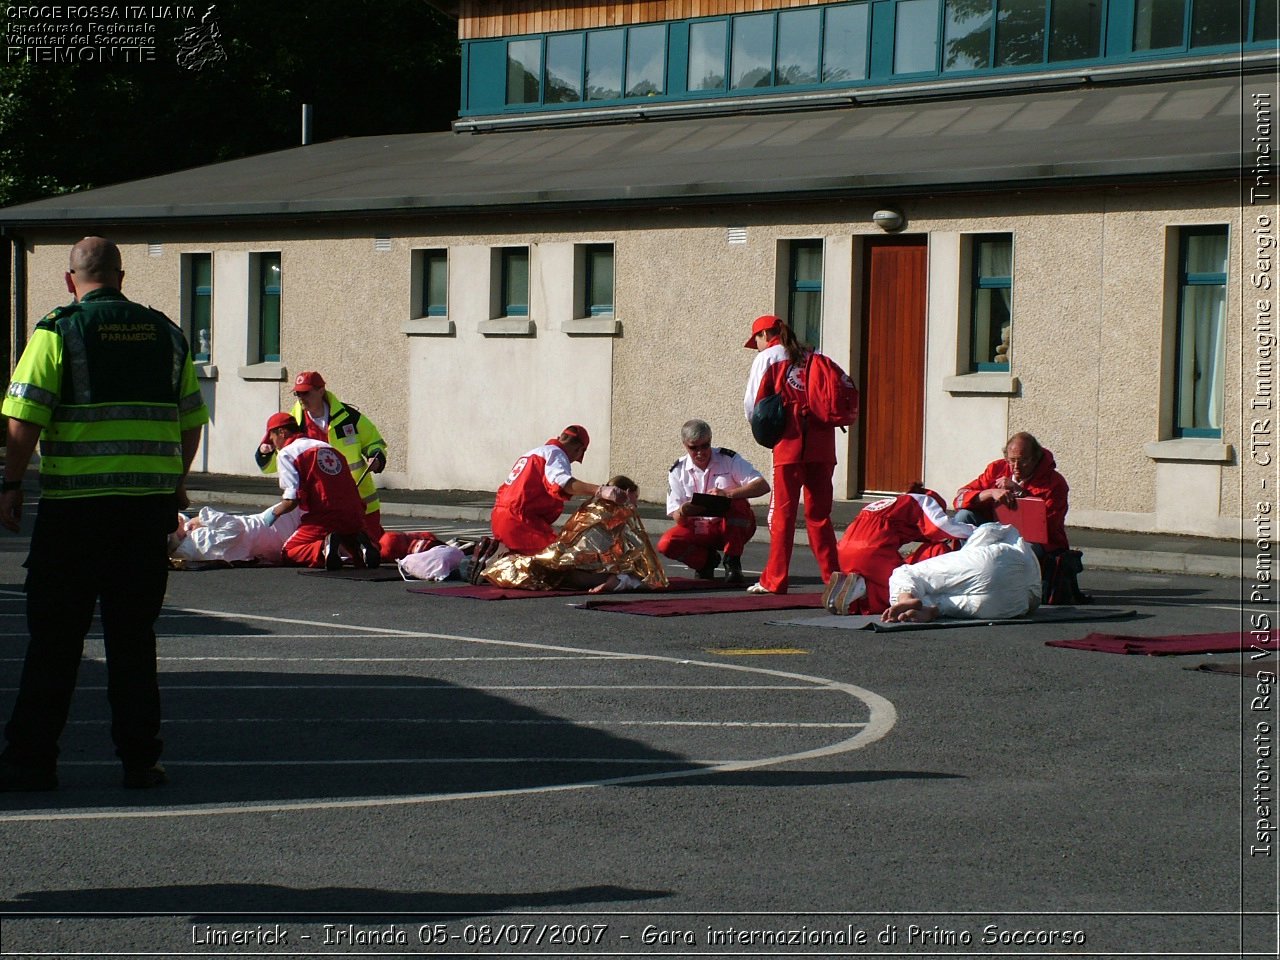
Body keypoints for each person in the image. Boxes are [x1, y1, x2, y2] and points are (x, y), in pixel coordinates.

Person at [0, 237, 209, 792]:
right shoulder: (167, 333)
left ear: (71, 280)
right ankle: (141, 761)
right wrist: (175, 484)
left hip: (74, 512)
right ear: (122, 276)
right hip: (144, 513)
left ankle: (31, 761)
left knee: (54, 641)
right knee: (133, 641)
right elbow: (191, 420)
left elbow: (24, 414)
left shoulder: (57, 329)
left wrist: (12, 482)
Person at [742, 314, 840, 594]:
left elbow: (752, 406)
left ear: (764, 336)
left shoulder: (768, 358)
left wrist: (766, 433)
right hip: (822, 442)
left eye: (756, 340)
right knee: (820, 515)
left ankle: (775, 579)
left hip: (789, 443)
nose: (757, 346)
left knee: (783, 514)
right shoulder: (814, 354)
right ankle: (833, 577)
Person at [255, 370, 391, 553]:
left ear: (321, 390)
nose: (301, 398)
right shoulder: (291, 424)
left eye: (306, 392)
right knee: (340, 550)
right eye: (298, 393)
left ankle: (414, 547)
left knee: (379, 548)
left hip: (360, 498)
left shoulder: (349, 417)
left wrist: (377, 456)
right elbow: (275, 463)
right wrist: (265, 453)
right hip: (321, 504)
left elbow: (374, 441)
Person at [483, 477, 667, 593]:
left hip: (569, 564)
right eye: (635, 497)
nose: (636, 504)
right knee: (643, 578)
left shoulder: (590, 508)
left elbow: (568, 537)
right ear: (627, 493)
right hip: (588, 570)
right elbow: (641, 553)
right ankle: (619, 581)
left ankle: (496, 565)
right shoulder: (624, 512)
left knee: (534, 570)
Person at [824, 484, 975, 616]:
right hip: (873, 549)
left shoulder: (889, 503)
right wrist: (977, 531)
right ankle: (862, 589)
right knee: (901, 587)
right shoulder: (924, 500)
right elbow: (941, 526)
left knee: (880, 578)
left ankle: (852, 595)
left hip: (845, 549)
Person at [658, 419, 770, 584]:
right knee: (666, 543)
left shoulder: (728, 459)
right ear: (684, 445)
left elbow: (762, 486)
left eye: (705, 446)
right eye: (693, 448)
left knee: (739, 504)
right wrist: (684, 511)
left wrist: (727, 494)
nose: (700, 452)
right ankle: (705, 562)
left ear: (710, 440)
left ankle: (732, 561)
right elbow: (677, 517)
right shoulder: (678, 470)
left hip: (729, 527)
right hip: (699, 527)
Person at [262, 412, 378, 570]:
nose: (272, 443)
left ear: (282, 432)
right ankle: (359, 547)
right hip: (355, 512)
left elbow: (291, 500)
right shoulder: (327, 447)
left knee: (289, 552)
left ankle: (323, 549)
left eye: (272, 437)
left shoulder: (287, 454)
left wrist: (272, 514)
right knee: (348, 546)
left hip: (324, 516)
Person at [880, 523, 1043, 623]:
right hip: (1017, 603)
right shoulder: (1017, 541)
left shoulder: (992, 535)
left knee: (905, 573)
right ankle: (932, 609)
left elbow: (989, 530)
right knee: (943, 601)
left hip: (996, 564)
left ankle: (906, 598)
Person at [952, 431, 1070, 555]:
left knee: (1024, 550)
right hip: (995, 528)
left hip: (1035, 541)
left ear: (1035, 458)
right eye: (1012, 460)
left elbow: (1046, 527)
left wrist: (1020, 493)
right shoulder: (996, 469)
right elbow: (960, 499)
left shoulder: (1055, 483)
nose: (1016, 466)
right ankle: (968, 563)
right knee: (964, 516)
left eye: (1023, 460)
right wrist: (991, 493)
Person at [490, 425, 599, 554]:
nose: (573, 461)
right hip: (521, 521)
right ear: (579, 450)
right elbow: (562, 482)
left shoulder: (535, 452)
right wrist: (599, 490)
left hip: (502, 516)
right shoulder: (556, 453)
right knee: (559, 558)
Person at [170, 504, 303, 566]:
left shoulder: (188, 547)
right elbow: (234, 527)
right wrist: (203, 518)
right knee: (311, 505)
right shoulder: (199, 541)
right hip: (273, 528)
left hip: (268, 541)